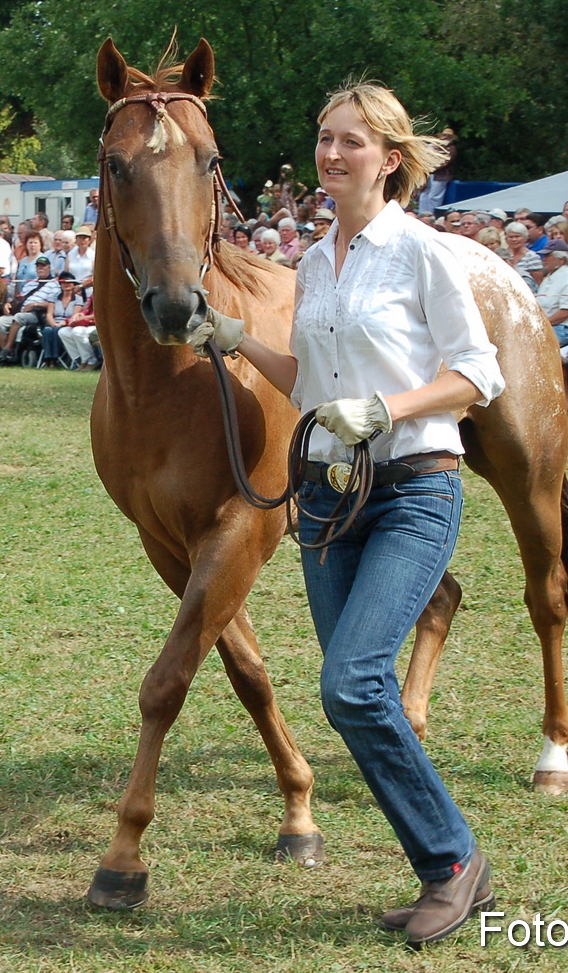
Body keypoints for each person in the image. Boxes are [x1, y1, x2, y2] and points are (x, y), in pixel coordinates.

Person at [187, 81, 502, 951]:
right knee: (354, 698)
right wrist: (235, 338)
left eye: (351, 142)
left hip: (412, 487)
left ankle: (454, 862)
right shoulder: (316, 261)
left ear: (390, 159)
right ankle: (447, 866)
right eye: (325, 139)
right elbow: (312, 383)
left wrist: (389, 408)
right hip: (328, 498)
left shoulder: (425, 252)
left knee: (351, 683)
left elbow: (477, 376)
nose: (331, 154)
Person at [534, 246, 568, 346]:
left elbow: (566, 312)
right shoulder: (548, 278)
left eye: (548, 256)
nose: (544, 259)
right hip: (550, 326)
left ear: (561, 260)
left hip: (565, 329)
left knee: (533, 343)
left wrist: (542, 325)